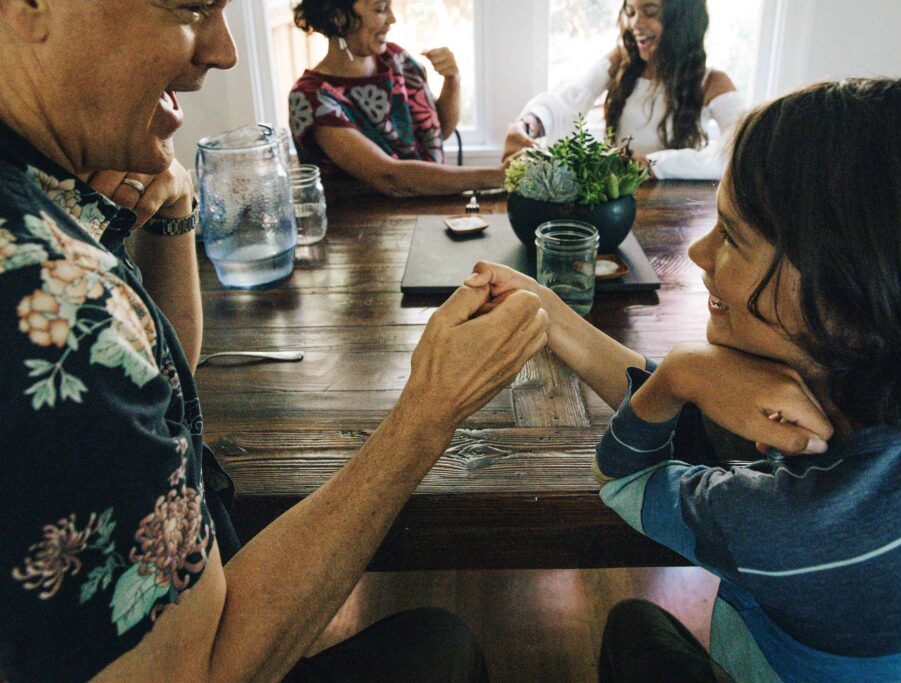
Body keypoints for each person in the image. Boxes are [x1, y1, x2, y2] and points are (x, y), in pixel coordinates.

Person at [0, 1, 548, 681]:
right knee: (443, 642)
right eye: (190, 6)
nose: (225, 51)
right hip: (206, 645)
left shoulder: (49, 190)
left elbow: (165, 374)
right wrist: (429, 410)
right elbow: (197, 669)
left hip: (189, 586)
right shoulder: (46, 295)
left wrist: (174, 210)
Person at [470, 75, 901, 681]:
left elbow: (624, 476)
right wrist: (546, 309)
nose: (700, 255)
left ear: (852, 306)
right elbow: (707, 407)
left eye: (730, 235)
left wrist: (682, 373)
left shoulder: (788, 525)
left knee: (632, 625)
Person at [503, 0, 745, 180]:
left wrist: (651, 164)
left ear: (682, 19)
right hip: (618, 197)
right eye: (630, 12)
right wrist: (529, 121)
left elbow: (738, 153)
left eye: (650, 12)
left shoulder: (713, 82)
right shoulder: (621, 62)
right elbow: (573, 98)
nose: (635, 24)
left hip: (677, 207)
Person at [288, 0, 506, 197]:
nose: (392, 19)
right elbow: (389, 178)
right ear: (337, 17)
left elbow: (437, 133)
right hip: (362, 233)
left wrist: (453, 79)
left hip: (428, 210)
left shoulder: (397, 59)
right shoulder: (311, 98)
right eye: (381, 8)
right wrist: (499, 176)